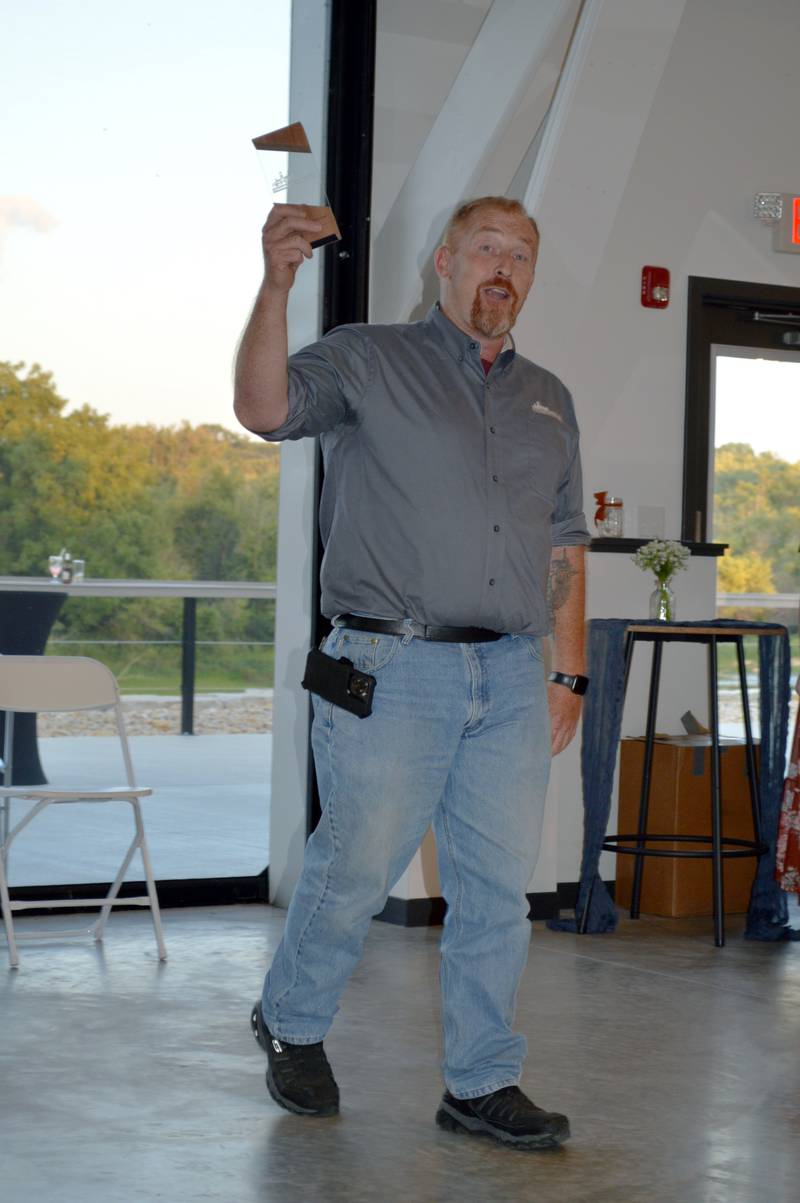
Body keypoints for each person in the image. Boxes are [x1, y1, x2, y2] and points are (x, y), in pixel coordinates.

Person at [234, 195, 589, 1151]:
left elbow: (563, 541)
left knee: (496, 892)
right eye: (485, 247)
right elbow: (263, 408)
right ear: (444, 262)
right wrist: (275, 285)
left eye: (521, 252)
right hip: (389, 664)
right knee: (355, 864)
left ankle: (481, 1080)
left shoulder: (548, 396)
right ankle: (293, 1021)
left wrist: (570, 674)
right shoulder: (369, 357)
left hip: (513, 674)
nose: (503, 266)